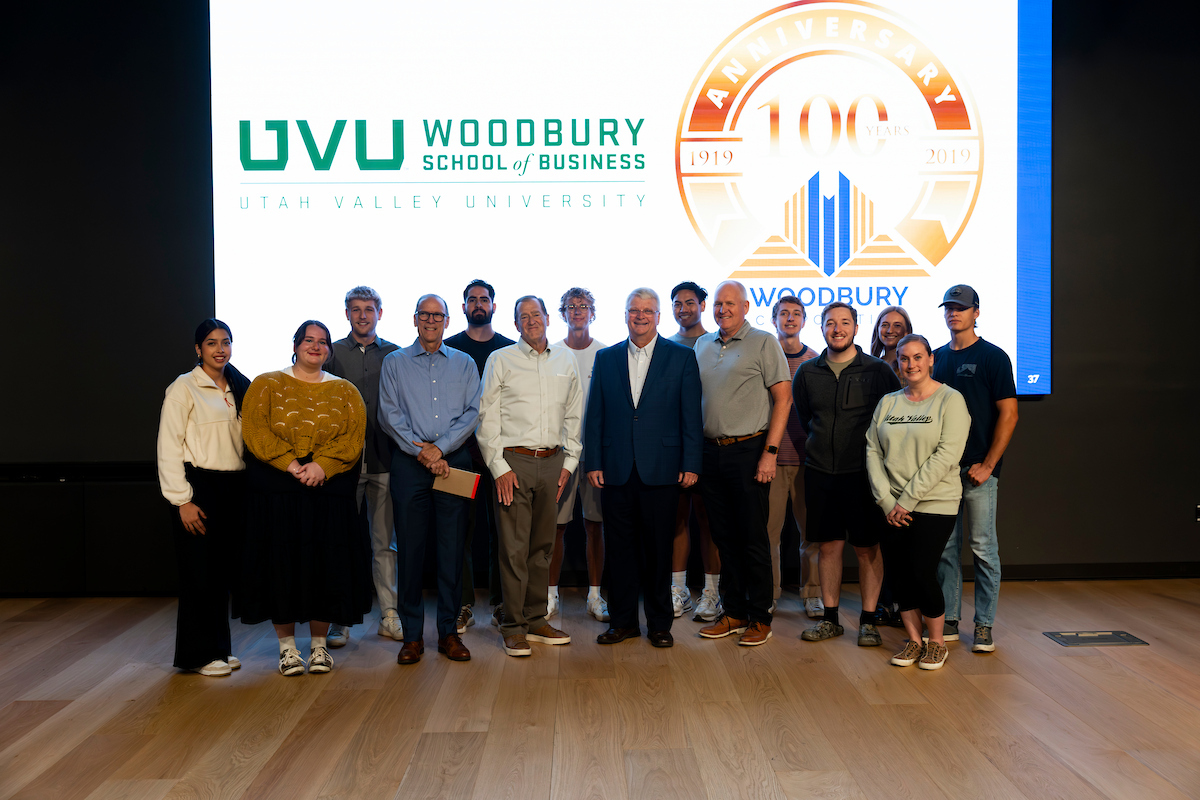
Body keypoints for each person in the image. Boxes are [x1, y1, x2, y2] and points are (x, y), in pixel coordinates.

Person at [239, 321, 371, 676]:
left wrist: (322, 467)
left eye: (322, 342)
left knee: (325, 567)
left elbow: (352, 439)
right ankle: (287, 650)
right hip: (279, 494)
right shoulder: (266, 384)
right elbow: (254, 430)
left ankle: (318, 648)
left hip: (327, 495)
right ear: (295, 345)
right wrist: (292, 464)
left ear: (329, 350)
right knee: (280, 565)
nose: (316, 346)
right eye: (308, 340)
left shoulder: (346, 392)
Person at [585, 288, 702, 648]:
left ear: (658, 317)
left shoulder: (681, 358)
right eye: (634, 310)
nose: (640, 316)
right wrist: (594, 461)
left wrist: (690, 462)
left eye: (647, 311)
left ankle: (659, 625)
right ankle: (622, 623)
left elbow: (690, 416)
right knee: (619, 551)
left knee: (657, 551)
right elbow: (596, 414)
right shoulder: (605, 358)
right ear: (624, 315)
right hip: (616, 469)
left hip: (663, 469)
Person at [477, 296, 583, 657]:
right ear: (516, 324)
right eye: (524, 317)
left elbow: (573, 417)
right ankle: (513, 625)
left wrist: (568, 466)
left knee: (542, 547)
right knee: (513, 549)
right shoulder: (500, 360)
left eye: (536, 314)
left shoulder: (566, 359)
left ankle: (537, 620)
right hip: (514, 463)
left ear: (548, 318)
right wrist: (498, 467)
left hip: (554, 462)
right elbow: (486, 416)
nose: (531, 321)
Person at [380, 295, 481, 664]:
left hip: (453, 462)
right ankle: (412, 637)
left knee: (452, 550)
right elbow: (388, 414)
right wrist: (421, 450)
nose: (431, 320)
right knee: (410, 550)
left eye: (438, 315)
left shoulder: (465, 363)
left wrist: (441, 450)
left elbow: (473, 412)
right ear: (415, 319)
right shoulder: (395, 363)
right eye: (425, 314)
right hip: (409, 464)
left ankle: (448, 633)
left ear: (447, 321)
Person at [794, 302, 900, 647]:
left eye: (844, 323)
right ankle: (830, 620)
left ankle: (868, 621)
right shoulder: (807, 372)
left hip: (863, 475)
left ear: (856, 327)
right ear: (821, 327)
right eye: (830, 323)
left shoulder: (878, 371)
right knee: (828, 546)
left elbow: (891, 419)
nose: (837, 329)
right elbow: (806, 416)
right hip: (821, 472)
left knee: (868, 548)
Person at [694, 281, 791, 646]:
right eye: (718, 304)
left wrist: (770, 452)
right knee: (723, 537)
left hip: (750, 451)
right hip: (710, 452)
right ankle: (733, 612)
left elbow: (783, 398)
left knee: (752, 537)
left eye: (730, 303)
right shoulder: (703, 345)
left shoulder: (764, 342)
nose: (723, 310)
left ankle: (760, 617)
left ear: (746, 307)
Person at [866, 334, 970, 670]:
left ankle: (936, 643)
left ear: (930, 360)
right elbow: (872, 450)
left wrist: (906, 500)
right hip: (892, 505)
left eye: (917, 357)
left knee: (922, 571)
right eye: (904, 358)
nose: (910, 364)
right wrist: (886, 501)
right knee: (899, 575)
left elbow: (946, 456)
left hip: (934, 503)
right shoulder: (889, 402)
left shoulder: (950, 400)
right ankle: (913, 640)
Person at [157, 319, 252, 677]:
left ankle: (219, 650)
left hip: (233, 487)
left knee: (221, 572)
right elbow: (167, 446)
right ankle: (197, 655)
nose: (219, 349)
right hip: (198, 488)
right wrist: (181, 499)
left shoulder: (237, 387)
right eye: (211, 343)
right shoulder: (183, 388)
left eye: (225, 342)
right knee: (199, 573)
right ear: (198, 349)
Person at [933, 285, 1018, 653]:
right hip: (943, 472)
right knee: (947, 548)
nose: (955, 314)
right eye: (949, 308)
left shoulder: (993, 357)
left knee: (983, 548)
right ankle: (950, 618)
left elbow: (1009, 414)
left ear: (976, 313)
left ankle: (983, 626)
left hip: (979, 471)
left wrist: (989, 464)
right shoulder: (935, 358)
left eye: (961, 308)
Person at [326, 286, 401, 648]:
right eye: (355, 309)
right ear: (347, 314)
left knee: (385, 544)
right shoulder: (330, 353)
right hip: (344, 465)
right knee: (340, 542)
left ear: (379, 313)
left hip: (385, 461)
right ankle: (340, 619)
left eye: (368, 309)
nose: (362, 315)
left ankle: (389, 615)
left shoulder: (396, 354)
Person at [445, 279, 516, 632]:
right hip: (460, 456)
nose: (478, 304)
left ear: (493, 306)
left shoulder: (509, 349)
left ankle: (502, 603)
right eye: (471, 299)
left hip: (502, 457)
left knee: (504, 531)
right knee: (461, 532)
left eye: (483, 299)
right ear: (463, 308)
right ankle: (463, 605)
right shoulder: (448, 348)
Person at [549, 287, 607, 622]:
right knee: (555, 528)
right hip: (560, 456)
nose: (577, 311)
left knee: (595, 526)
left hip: (594, 455)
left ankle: (595, 596)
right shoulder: (553, 354)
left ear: (593, 312)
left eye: (584, 306)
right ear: (562, 314)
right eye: (571, 306)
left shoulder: (606, 353)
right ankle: (550, 595)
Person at [667, 281, 721, 621]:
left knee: (708, 520)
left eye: (690, 302)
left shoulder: (714, 344)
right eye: (677, 303)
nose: (683, 308)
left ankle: (712, 592)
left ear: (702, 305)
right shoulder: (665, 346)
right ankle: (678, 589)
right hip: (674, 448)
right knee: (676, 520)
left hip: (709, 446)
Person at [767, 296, 821, 618]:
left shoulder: (815, 360)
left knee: (810, 534)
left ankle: (812, 593)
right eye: (783, 314)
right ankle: (769, 593)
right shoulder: (763, 355)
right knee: (769, 533)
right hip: (770, 461)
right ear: (773, 319)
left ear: (803, 320)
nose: (790, 319)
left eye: (796, 314)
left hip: (805, 460)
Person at [870, 305, 914, 384]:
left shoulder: (912, 367)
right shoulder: (870, 366)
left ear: (907, 331)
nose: (890, 331)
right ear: (878, 329)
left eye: (897, 325)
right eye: (885, 325)